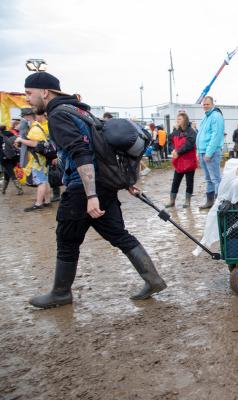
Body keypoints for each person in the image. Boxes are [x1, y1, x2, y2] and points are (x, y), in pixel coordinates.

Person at [24, 71, 166, 308]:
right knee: (119, 235)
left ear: (45, 92)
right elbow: (104, 150)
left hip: (84, 189)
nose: (27, 99)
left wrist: (91, 196)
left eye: (29, 93)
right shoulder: (79, 110)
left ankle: (60, 293)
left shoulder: (58, 115)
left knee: (67, 239)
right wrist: (122, 181)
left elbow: (82, 153)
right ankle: (153, 280)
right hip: (105, 186)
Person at [15, 113, 52, 211]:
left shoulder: (35, 128)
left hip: (38, 160)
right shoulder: (40, 126)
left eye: (23, 118)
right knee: (45, 181)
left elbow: (35, 143)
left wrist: (21, 140)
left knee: (40, 182)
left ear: (28, 117)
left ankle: (39, 203)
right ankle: (47, 201)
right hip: (43, 159)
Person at [196, 95, 224, 209]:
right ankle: (209, 201)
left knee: (215, 178)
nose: (205, 106)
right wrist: (198, 151)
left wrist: (209, 152)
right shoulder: (205, 118)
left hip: (211, 152)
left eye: (207, 104)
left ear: (212, 104)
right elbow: (200, 135)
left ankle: (219, 202)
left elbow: (216, 135)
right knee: (208, 179)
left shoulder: (216, 116)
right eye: (204, 104)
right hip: (202, 151)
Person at [166, 112, 197, 208]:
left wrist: (178, 152)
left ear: (185, 120)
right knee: (175, 181)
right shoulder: (176, 131)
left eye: (180, 119)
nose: (177, 120)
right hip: (179, 162)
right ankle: (172, 201)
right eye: (177, 119)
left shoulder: (191, 131)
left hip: (189, 161)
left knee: (189, 182)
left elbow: (189, 144)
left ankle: (187, 201)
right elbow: (170, 141)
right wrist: (173, 150)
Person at [1, 125, 24, 195]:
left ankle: (20, 190)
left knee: (11, 173)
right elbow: (20, 144)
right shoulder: (12, 135)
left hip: (4, 158)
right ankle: (3, 190)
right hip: (14, 156)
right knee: (6, 173)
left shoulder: (1, 137)